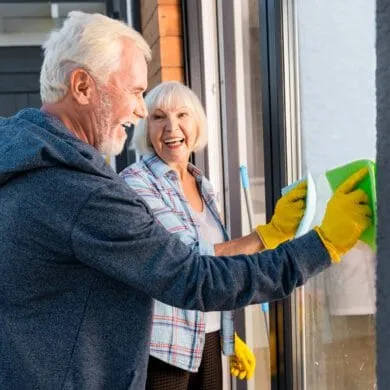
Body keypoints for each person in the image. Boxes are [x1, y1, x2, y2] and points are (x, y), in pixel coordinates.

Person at [0, 11, 371, 390]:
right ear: (81, 87)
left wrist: (225, 328)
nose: (141, 111)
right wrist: (321, 245)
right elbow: (194, 276)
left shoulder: (26, 160)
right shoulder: (81, 191)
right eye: (135, 92)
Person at [120, 81, 308, 389]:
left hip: (205, 338)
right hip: (162, 346)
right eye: (158, 117)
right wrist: (267, 234)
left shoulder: (202, 185)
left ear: (197, 123)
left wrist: (227, 333)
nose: (172, 127)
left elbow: (217, 268)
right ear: (145, 126)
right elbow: (189, 260)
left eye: (183, 114)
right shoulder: (136, 184)